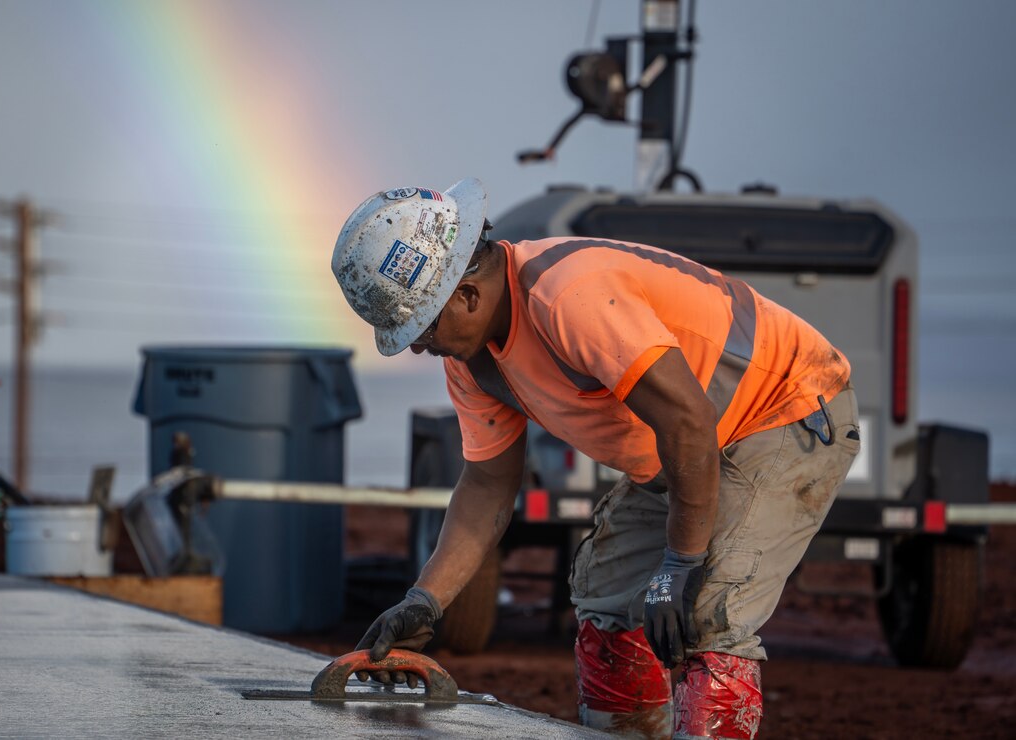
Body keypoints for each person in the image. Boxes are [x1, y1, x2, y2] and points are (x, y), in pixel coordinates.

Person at [331, 178, 860, 739]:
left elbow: (688, 420)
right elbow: (488, 483)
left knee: (710, 612)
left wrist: (679, 566)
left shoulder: (569, 296)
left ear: (466, 294)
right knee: (607, 596)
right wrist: (424, 603)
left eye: (423, 326)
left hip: (784, 410)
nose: (418, 345)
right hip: (686, 450)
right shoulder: (471, 359)